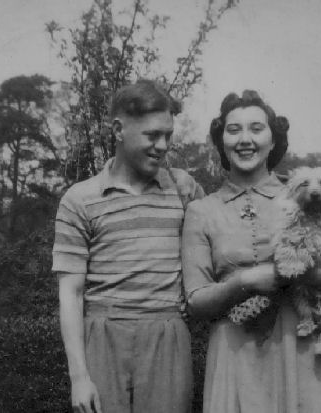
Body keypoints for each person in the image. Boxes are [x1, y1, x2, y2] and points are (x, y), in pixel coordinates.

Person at [182, 90, 321, 413]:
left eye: (256, 128)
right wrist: (246, 281)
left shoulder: (310, 196)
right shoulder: (201, 211)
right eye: (233, 130)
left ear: (273, 139)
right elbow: (196, 301)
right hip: (233, 355)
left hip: (300, 350)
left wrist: (305, 273)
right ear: (221, 140)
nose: (245, 139)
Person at [52, 79, 204, 413]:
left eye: (168, 135)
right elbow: (71, 293)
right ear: (119, 129)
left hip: (167, 335)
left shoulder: (184, 189)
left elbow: (214, 253)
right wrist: (79, 377)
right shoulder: (80, 199)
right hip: (102, 336)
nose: (162, 146)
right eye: (152, 135)